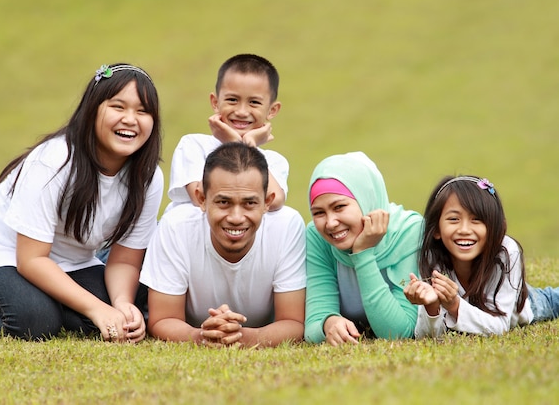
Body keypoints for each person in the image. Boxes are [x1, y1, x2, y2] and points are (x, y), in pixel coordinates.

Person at [0, 63, 163, 343]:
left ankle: (11, 295)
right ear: (92, 109)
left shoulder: (147, 177)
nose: (131, 119)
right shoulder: (55, 161)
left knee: (131, 304)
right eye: (118, 107)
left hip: (69, 260)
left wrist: (120, 305)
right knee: (36, 321)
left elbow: (125, 261)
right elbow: (31, 259)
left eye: (143, 111)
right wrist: (97, 308)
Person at [140, 142, 306, 348]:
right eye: (223, 202)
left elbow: (293, 323)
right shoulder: (175, 226)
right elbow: (162, 319)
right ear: (201, 199)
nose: (236, 218)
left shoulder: (287, 226)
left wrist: (238, 337)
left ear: (267, 202)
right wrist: (200, 336)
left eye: (249, 203)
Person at [403, 175, 559, 338]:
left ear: (495, 228)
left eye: (477, 219)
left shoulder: (506, 251)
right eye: (454, 219)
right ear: (436, 229)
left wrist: (454, 304)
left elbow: (500, 326)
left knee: (553, 300)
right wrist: (431, 306)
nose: (464, 229)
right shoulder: (431, 258)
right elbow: (425, 337)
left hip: (525, 303)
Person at [304, 152, 423, 346]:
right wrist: (328, 323)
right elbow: (312, 326)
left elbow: (399, 332)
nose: (331, 223)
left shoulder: (409, 231)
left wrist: (363, 254)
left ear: (367, 199)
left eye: (339, 207)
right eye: (318, 213)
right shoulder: (317, 236)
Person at [165, 53, 288, 213]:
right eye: (232, 100)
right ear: (215, 103)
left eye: (254, 102)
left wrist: (246, 147)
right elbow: (201, 197)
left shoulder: (273, 161)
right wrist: (235, 145)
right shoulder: (194, 145)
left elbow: (274, 200)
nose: (242, 111)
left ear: (272, 110)